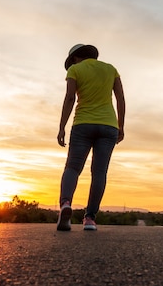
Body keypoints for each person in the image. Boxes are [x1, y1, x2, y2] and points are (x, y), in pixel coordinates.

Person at [56, 44, 125, 231]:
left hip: (83, 125)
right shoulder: (111, 69)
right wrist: (121, 125)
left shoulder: (75, 70)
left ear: (76, 58)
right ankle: (90, 219)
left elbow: (70, 98)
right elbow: (120, 98)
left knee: (72, 167)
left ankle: (65, 204)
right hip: (108, 126)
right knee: (99, 172)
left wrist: (62, 127)